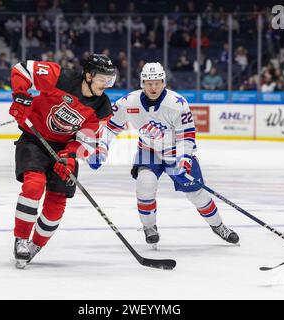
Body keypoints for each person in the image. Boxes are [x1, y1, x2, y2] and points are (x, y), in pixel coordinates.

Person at [88, 62, 239, 247]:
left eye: (157, 82)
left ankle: (219, 226)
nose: (153, 87)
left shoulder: (177, 104)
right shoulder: (128, 102)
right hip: (148, 150)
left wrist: (184, 161)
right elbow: (110, 128)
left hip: (176, 153)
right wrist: (101, 148)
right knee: (145, 184)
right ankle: (149, 227)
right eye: (149, 83)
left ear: (164, 82)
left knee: (197, 195)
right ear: (142, 82)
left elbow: (187, 136)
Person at [9, 54, 116, 269]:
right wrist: (20, 95)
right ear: (88, 75)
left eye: (110, 80)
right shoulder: (60, 77)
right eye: (102, 79)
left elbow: (86, 140)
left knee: (57, 204)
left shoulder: (103, 108)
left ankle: (35, 245)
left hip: (65, 148)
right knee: (33, 185)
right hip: (34, 139)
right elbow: (21, 69)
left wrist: (70, 156)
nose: (106, 84)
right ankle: (21, 238)